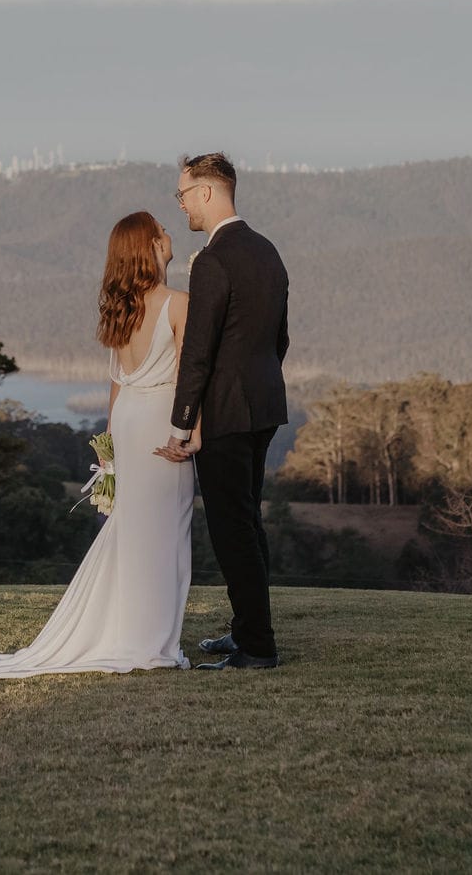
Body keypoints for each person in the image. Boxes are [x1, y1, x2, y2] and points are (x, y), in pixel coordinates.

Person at [0, 210, 196, 678]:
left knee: (134, 531)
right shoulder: (179, 304)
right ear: (152, 246)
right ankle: (151, 641)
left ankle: (136, 631)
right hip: (160, 424)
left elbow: (116, 383)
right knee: (165, 532)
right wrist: (189, 432)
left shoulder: (126, 308)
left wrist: (108, 446)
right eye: (162, 231)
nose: (170, 234)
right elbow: (188, 381)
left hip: (128, 423)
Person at [158, 151, 290, 669]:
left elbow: (199, 351)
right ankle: (246, 631)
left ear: (208, 192)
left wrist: (182, 423)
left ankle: (257, 646)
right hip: (263, 405)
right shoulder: (268, 251)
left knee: (232, 527)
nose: (182, 204)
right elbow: (279, 339)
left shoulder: (213, 260)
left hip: (228, 412)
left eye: (183, 194)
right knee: (247, 521)